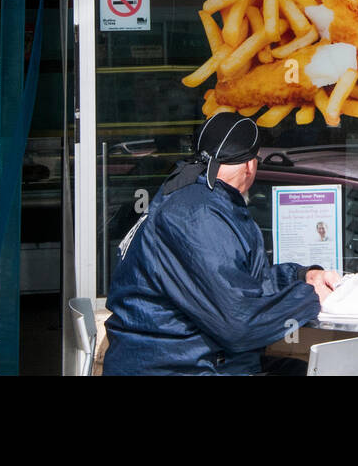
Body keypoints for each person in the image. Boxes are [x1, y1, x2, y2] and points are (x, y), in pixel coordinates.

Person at [104, 114, 342, 375]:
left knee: (301, 369)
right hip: (174, 366)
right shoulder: (196, 214)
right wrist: (310, 299)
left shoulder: (197, 200)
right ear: (250, 165)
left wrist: (301, 277)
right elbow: (238, 324)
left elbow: (240, 283)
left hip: (185, 359)